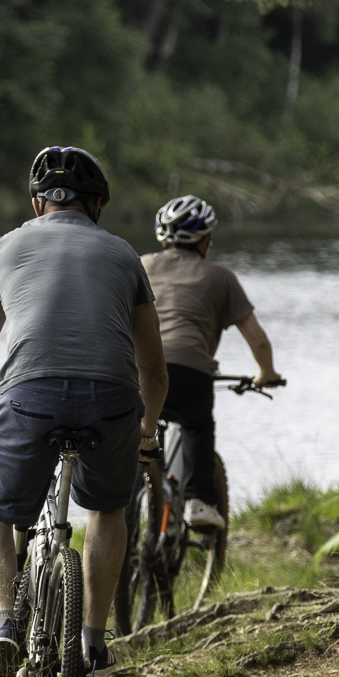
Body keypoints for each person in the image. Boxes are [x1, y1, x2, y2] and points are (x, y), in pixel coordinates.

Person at [0, 146, 169, 674]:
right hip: (112, 401)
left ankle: (4, 622)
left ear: (36, 204)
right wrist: (145, 434)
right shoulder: (124, 255)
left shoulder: (5, 248)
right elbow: (154, 372)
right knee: (106, 511)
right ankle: (93, 640)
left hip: (28, 398)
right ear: (96, 206)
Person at [140, 195, 283, 529]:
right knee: (197, 425)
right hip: (191, 373)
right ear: (206, 240)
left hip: (138, 371)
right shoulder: (221, 277)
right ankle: (199, 501)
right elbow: (258, 338)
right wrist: (267, 373)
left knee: (132, 432)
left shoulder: (140, 265)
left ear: (163, 238)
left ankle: (124, 499)